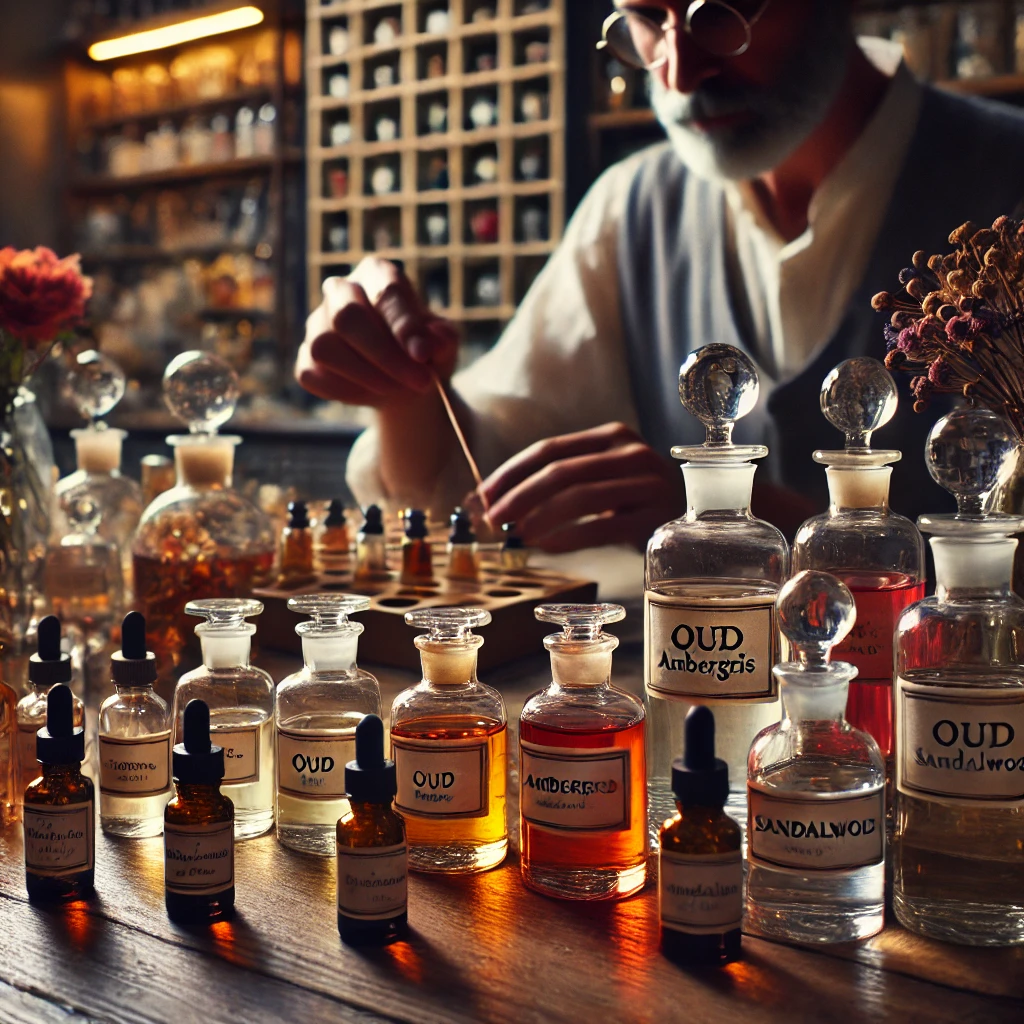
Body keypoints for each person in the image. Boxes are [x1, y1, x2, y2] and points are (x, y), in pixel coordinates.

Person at [296, 0, 1024, 550]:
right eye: (646, 17)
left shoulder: (1007, 182)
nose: (678, 71)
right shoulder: (633, 206)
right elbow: (479, 489)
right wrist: (403, 392)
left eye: (725, 11)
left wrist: (740, 519)